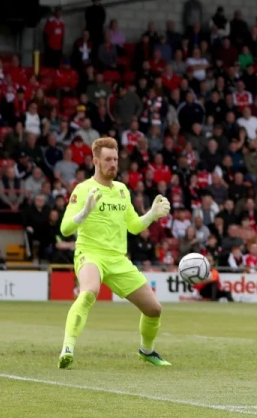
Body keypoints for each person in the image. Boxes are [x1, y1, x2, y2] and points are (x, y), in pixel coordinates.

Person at [57, 137, 172, 368]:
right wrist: (83, 214)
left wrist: (151, 214)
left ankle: (146, 350)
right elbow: (65, 228)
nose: (113, 164)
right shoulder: (83, 189)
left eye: (116, 159)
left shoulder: (121, 190)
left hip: (118, 259)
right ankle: (67, 348)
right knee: (89, 292)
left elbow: (133, 226)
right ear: (96, 161)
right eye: (108, 159)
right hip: (90, 254)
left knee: (154, 309)